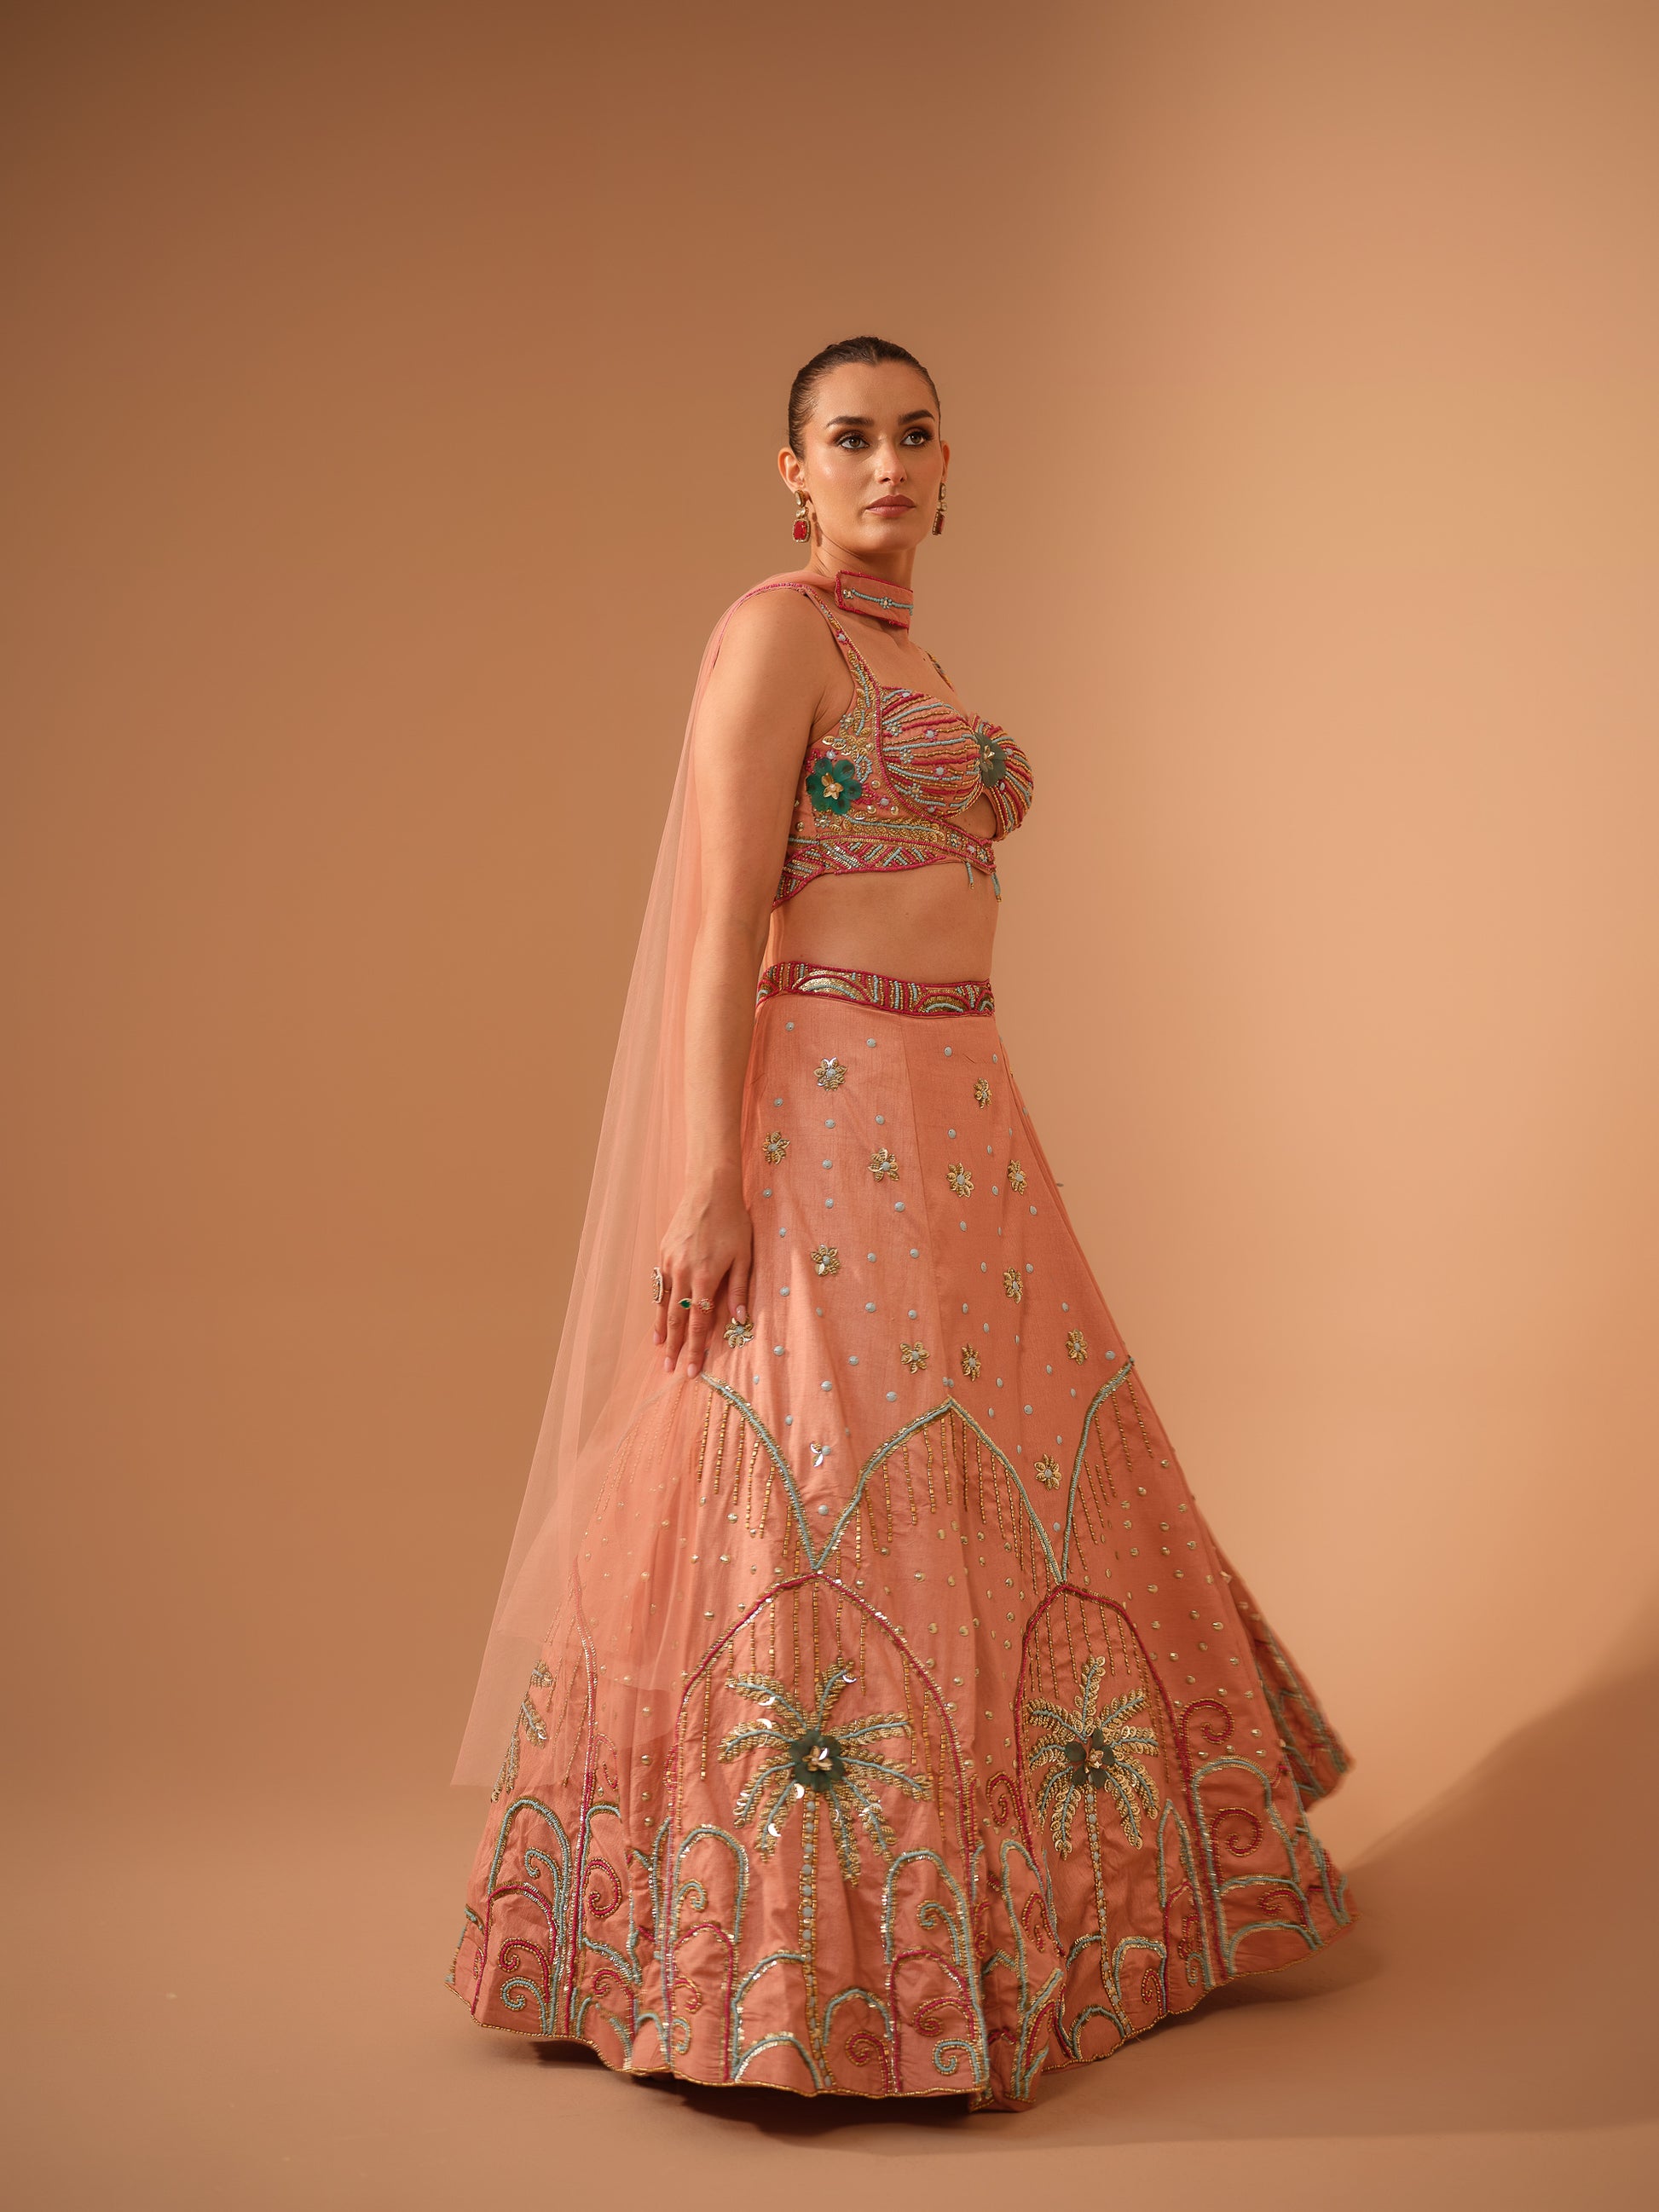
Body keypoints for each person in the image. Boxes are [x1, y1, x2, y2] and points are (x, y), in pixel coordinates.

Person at [445, 336, 1358, 2110]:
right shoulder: (774, 632)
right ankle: (785, 1954)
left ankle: (1030, 1917)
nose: (888, 464)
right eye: (850, 437)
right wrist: (707, 1173)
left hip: (965, 1105)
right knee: (824, 1469)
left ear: (948, 466)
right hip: (830, 1104)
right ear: (790, 472)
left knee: (996, 1466)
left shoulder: (912, 654)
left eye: (915, 434)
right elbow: (722, 922)